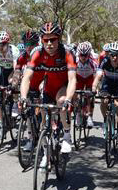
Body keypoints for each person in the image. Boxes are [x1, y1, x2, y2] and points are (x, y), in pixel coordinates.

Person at [19, 22, 76, 155]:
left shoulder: (67, 52)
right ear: (41, 40)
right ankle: (46, 155)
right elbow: (26, 77)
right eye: (46, 40)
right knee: (43, 125)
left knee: (61, 101)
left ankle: (67, 136)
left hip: (63, 86)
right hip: (48, 88)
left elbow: (73, 79)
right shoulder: (37, 52)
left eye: (53, 39)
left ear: (59, 39)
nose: (49, 43)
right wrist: (22, 97)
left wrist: (69, 99)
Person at [96, 42, 118, 143]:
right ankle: (105, 122)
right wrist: (94, 88)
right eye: (112, 55)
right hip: (107, 84)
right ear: (109, 54)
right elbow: (98, 76)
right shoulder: (105, 61)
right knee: (103, 102)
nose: (114, 57)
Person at [75, 41, 100, 128]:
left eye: (86, 55)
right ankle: (78, 114)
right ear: (78, 54)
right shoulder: (75, 61)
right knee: (76, 96)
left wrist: (95, 87)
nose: (83, 57)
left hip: (89, 78)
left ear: (89, 54)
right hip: (79, 78)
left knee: (89, 96)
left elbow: (97, 74)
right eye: (81, 55)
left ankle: (89, 116)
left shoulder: (93, 62)